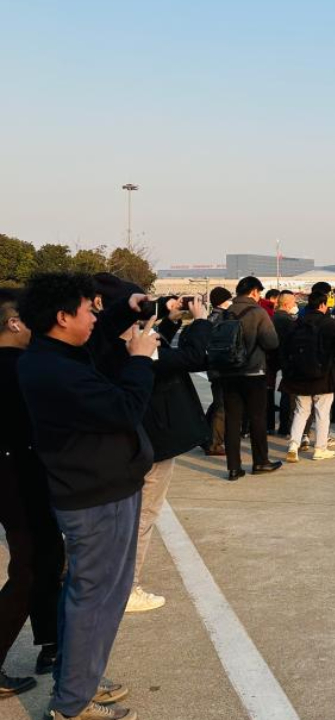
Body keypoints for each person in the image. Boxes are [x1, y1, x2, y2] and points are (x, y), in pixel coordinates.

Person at [18, 272, 157, 720]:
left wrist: (125, 308)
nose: (95, 317)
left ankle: (78, 681)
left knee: (91, 596)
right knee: (94, 599)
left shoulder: (55, 354)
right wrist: (140, 360)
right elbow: (124, 408)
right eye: (88, 309)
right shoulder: (54, 370)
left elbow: (95, 347)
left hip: (102, 488)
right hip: (95, 496)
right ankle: (72, 705)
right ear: (62, 317)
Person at [128, 294, 213, 614]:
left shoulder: (107, 343)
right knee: (143, 515)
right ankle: (128, 586)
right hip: (153, 442)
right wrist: (201, 320)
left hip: (138, 440)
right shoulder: (133, 350)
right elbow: (193, 358)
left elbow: (158, 344)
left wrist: (168, 320)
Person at [0, 289, 63, 697]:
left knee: (47, 557)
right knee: (30, 565)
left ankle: (50, 643)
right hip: (18, 476)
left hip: (17, 474)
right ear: (14, 323)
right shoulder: (19, 368)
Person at [220, 276, 281, 480]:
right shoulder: (258, 312)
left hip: (228, 372)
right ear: (254, 292)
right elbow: (272, 342)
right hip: (253, 372)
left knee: (232, 420)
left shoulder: (225, 312)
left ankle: (233, 467)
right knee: (257, 418)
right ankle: (260, 462)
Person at [283, 293, 335, 462]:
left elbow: (285, 348)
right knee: (322, 413)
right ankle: (320, 448)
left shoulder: (296, 323)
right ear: (322, 305)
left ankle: (293, 445)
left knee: (300, 411)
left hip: (299, 375)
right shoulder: (330, 323)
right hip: (324, 375)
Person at [203, 287, 233, 456]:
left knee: (217, 403)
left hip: (213, 366)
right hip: (223, 367)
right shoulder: (224, 318)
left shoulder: (210, 318)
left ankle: (204, 435)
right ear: (223, 301)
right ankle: (214, 443)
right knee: (222, 405)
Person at [268, 290, 298, 435]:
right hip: (285, 359)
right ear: (286, 304)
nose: (295, 305)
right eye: (293, 302)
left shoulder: (272, 318)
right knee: (288, 394)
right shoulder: (287, 321)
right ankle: (286, 426)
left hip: (271, 358)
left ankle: (272, 424)